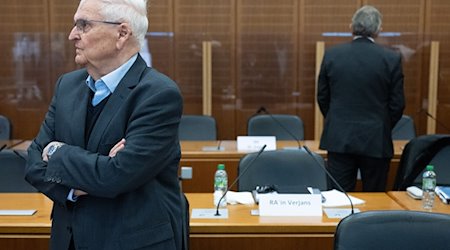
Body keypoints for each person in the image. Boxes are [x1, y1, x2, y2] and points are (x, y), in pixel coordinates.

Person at [25, 0, 184, 249]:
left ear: (121, 33)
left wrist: (57, 152)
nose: (72, 35)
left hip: (129, 241)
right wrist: (75, 188)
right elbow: (33, 163)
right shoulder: (67, 86)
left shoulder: (157, 94)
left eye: (83, 25)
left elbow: (116, 176)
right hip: (69, 240)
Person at [317, 5, 405, 192]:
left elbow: (323, 97)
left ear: (351, 27)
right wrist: (381, 124)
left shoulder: (332, 55)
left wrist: (338, 120)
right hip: (376, 140)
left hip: (339, 138)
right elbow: (397, 104)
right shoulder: (391, 58)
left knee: (338, 200)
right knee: (375, 200)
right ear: (379, 30)